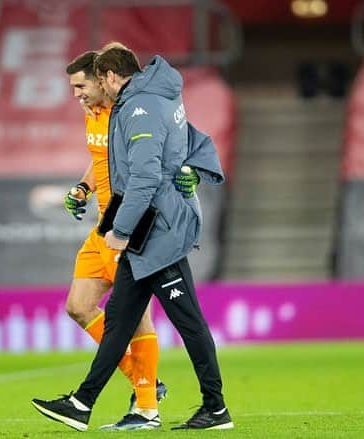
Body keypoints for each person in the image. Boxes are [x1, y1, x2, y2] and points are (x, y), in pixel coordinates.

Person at [32, 45, 232, 431]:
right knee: (118, 323)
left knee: (187, 324)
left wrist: (119, 232)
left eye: (84, 84)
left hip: (155, 232)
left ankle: (213, 407)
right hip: (145, 228)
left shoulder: (140, 107)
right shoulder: (152, 97)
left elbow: (144, 177)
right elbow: (181, 142)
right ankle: (83, 402)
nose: (79, 95)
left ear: (107, 77)